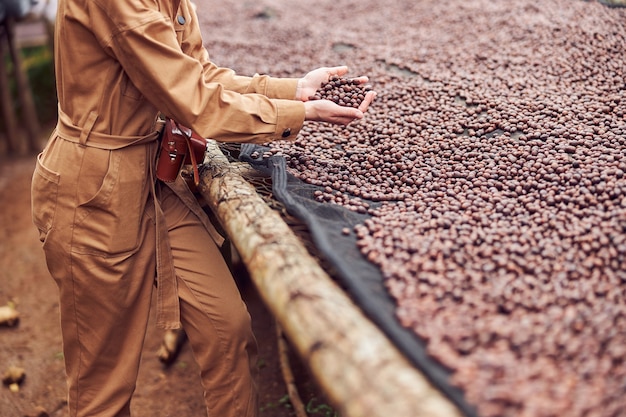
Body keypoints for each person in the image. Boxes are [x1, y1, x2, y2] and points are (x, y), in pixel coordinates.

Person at [30, 0, 375, 416]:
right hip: (94, 193)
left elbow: (200, 75)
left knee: (227, 329)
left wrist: (294, 89)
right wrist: (301, 112)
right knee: (103, 388)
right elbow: (195, 102)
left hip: (156, 180)